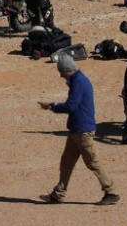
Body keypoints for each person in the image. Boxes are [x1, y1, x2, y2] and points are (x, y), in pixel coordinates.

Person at [37, 55, 119, 206]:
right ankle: (58, 194)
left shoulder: (79, 82)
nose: (60, 75)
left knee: (92, 163)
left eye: (61, 72)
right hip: (77, 130)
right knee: (66, 162)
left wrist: (51, 106)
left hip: (83, 131)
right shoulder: (79, 80)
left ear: (66, 70)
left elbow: (70, 106)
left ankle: (111, 191)